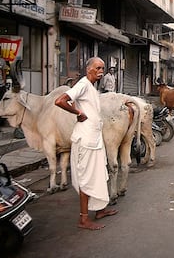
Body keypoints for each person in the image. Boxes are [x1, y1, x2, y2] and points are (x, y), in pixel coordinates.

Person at [55, 57, 118, 230]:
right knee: (86, 179)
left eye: (102, 68)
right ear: (88, 69)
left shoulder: (91, 87)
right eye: (97, 68)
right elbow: (60, 101)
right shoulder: (83, 84)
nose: (101, 71)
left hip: (95, 139)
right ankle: (83, 219)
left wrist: (79, 110)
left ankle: (99, 210)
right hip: (86, 140)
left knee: (99, 175)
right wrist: (78, 112)